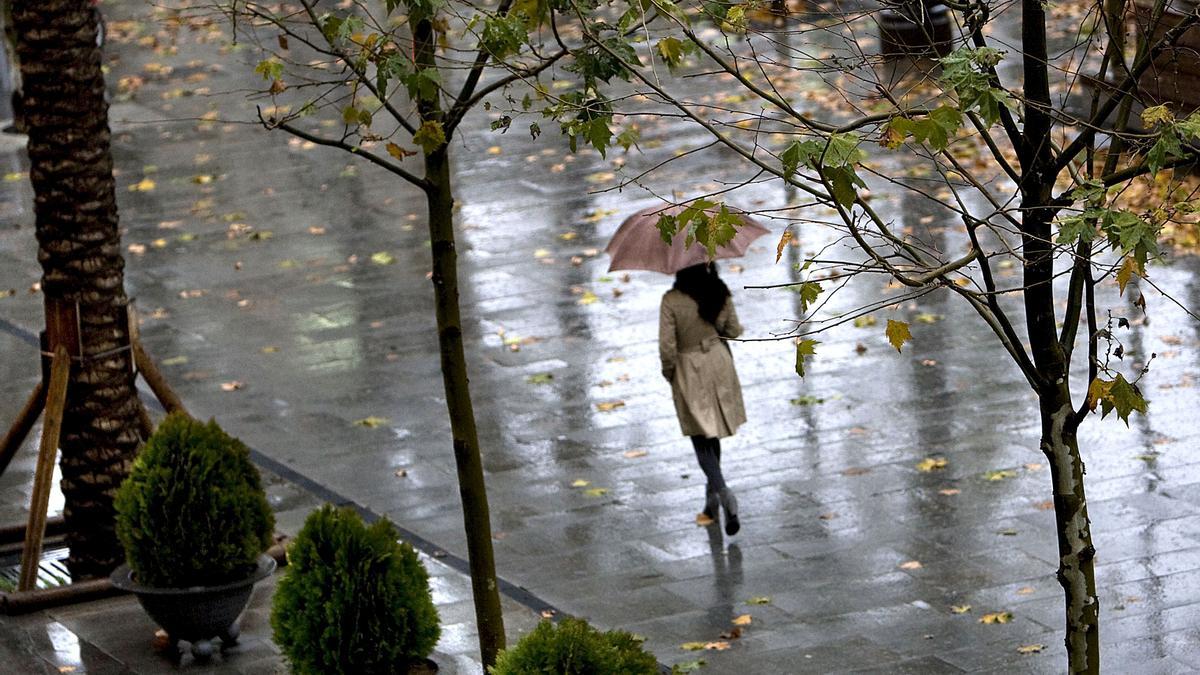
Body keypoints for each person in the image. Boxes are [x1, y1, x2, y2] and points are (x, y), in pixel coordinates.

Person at [659, 261, 746, 536]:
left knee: (700, 436)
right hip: (719, 363)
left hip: (689, 368)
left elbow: (667, 347)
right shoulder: (719, 289)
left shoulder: (671, 300)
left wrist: (670, 373)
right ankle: (711, 505)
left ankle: (723, 493)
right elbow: (733, 330)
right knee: (712, 433)